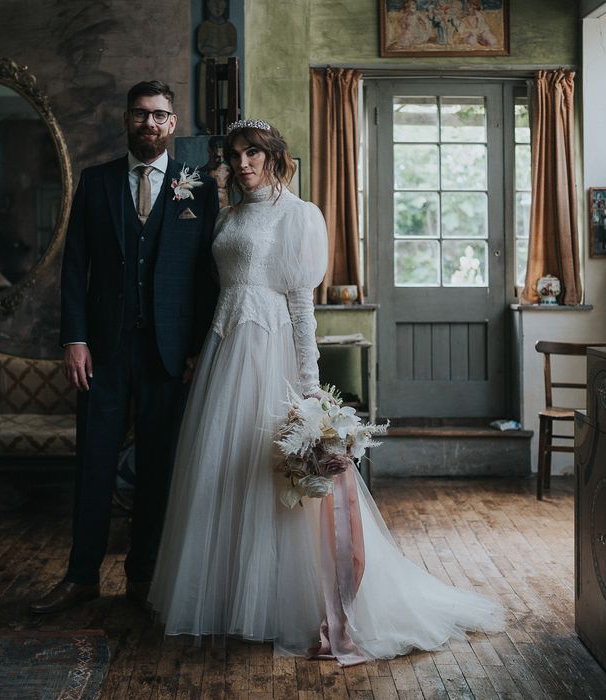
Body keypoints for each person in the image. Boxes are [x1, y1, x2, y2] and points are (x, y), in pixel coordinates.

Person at [147, 119, 504, 665]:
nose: (242, 163)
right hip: (226, 350)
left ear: (274, 157)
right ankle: (225, 601)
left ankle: (285, 605)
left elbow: (301, 308)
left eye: (253, 154)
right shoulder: (228, 214)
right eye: (235, 154)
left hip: (271, 354)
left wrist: (311, 394)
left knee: (276, 475)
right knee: (224, 471)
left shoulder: (299, 215)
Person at [30, 80, 219, 614]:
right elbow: (74, 268)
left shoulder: (198, 186)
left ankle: (143, 576)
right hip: (103, 351)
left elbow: (207, 276)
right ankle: (81, 576)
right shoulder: (96, 181)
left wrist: (197, 347)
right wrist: (75, 339)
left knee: (157, 465)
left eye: (159, 116)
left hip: (168, 351)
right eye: (140, 115)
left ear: (173, 123)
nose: (149, 124)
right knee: (93, 461)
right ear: (126, 120)